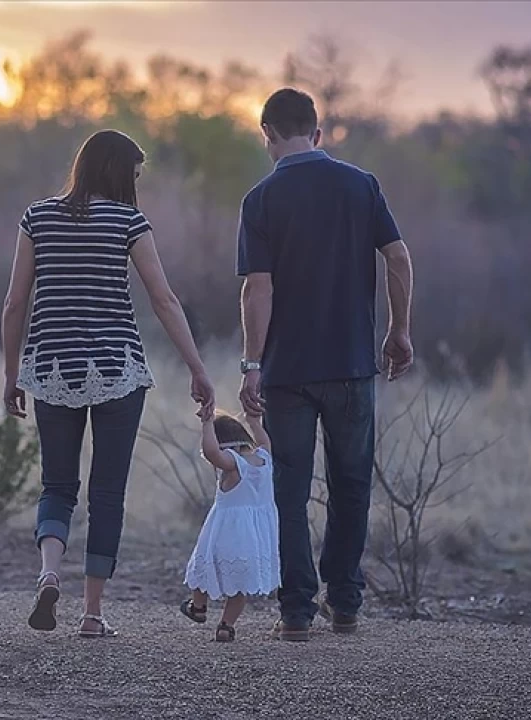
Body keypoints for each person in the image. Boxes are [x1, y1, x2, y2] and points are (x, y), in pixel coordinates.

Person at [1, 129, 216, 638]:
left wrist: (13, 375)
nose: (136, 185)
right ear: (119, 173)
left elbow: (14, 304)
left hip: (51, 368)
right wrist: (197, 368)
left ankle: (50, 571)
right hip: (117, 369)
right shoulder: (128, 222)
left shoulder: (37, 217)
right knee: (108, 493)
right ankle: (93, 614)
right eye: (135, 175)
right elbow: (164, 300)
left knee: (57, 484)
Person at [235, 88, 415, 641]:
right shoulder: (361, 185)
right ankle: (345, 603)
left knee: (289, 491)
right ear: (318, 133)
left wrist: (251, 363)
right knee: (351, 483)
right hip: (352, 364)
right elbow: (398, 257)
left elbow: (256, 290)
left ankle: (295, 612)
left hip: (288, 371)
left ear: (266, 133)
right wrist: (399, 330)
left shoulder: (260, 199)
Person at [179, 412, 280, 643]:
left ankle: (199, 607)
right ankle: (226, 626)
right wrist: (255, 421)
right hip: (253, 539)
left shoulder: (233, 465)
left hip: (225, 534)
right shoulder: (264, 459)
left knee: (202, 568)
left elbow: (212, 453)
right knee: (239, 586)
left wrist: (206, 424)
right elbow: (265, 441)